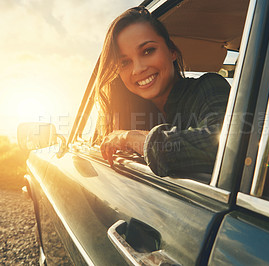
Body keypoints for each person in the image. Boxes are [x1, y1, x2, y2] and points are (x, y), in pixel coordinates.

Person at [94, 6, 230, 177]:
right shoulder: (130, 113)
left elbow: (225, 146)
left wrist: (130, 138)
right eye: (124, 63)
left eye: (148, 51)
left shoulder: (209, 86)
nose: (138, 69)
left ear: (172, 52)